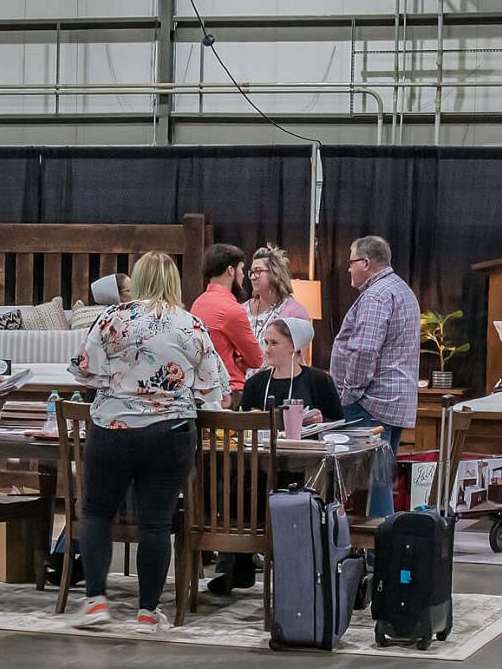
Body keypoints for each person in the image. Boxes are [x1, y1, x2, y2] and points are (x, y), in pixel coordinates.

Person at [67, 250, 230, 631]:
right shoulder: (190, 324)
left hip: (113, 430)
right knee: (155, 523)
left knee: (96, 513)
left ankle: (96, 602)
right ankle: (146, 612)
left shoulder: (112, 318)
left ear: (137, 280)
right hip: (169, 432)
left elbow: (84, 373)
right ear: (174, 282)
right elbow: (213, 389)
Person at [207, 317, 345, 598]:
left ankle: (295, 573)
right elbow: (241, 426)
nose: (267, 349)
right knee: (232, 486)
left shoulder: (318, 381)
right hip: (256, 468)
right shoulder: (257, 383)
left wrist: (321, 420)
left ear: (294, 347)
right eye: (266, 342)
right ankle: (239, 564)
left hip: (301, 470)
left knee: (291, 492)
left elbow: (338, 424)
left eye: (274, 343)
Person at [328, 235, 419, 519]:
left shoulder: (376, 296)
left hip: (371, 401)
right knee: (379, 480)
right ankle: (381, 539)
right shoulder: (401, 289)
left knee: (370, 483)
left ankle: (374, 540)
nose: (349, 269)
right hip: (392, 400)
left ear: (366, 263)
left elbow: (365, 350)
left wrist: (349, 394)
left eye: (351, 263)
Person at [189, 241, 264, 390]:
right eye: (241, 269)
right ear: (230, 270)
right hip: (230, 388)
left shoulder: (197, 304)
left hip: (202, 386)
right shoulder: (231, 309)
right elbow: (256, 359)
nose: (243, 275)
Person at [246, 245, 311, 342]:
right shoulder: (242, 310)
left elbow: (299, 350)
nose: (253, 277)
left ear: (274, 273)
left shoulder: (295, 312)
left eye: (258, 271)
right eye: (251, 272)